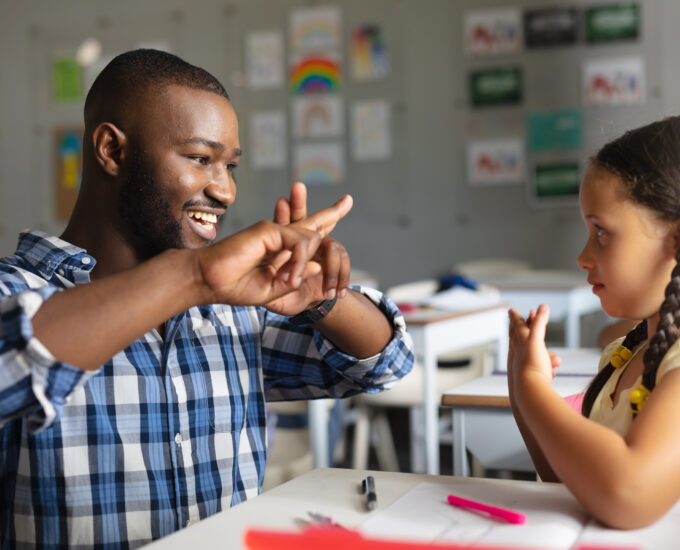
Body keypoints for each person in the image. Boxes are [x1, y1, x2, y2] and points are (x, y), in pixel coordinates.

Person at [0, 49, 414, 548]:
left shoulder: (225, 310)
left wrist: (319, 299)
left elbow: (382, 364)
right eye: (200, 159)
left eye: (230, 165)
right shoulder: (16, 290)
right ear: (111, 150)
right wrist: (191, 277)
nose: (226, 191)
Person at [506, 115, 680, 529]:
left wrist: (533, 390)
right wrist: (522, 389)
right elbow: (572, 480)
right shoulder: (625, 354)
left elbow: (628, 494)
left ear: (679, 240)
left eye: (602, 233)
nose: (583, 256)